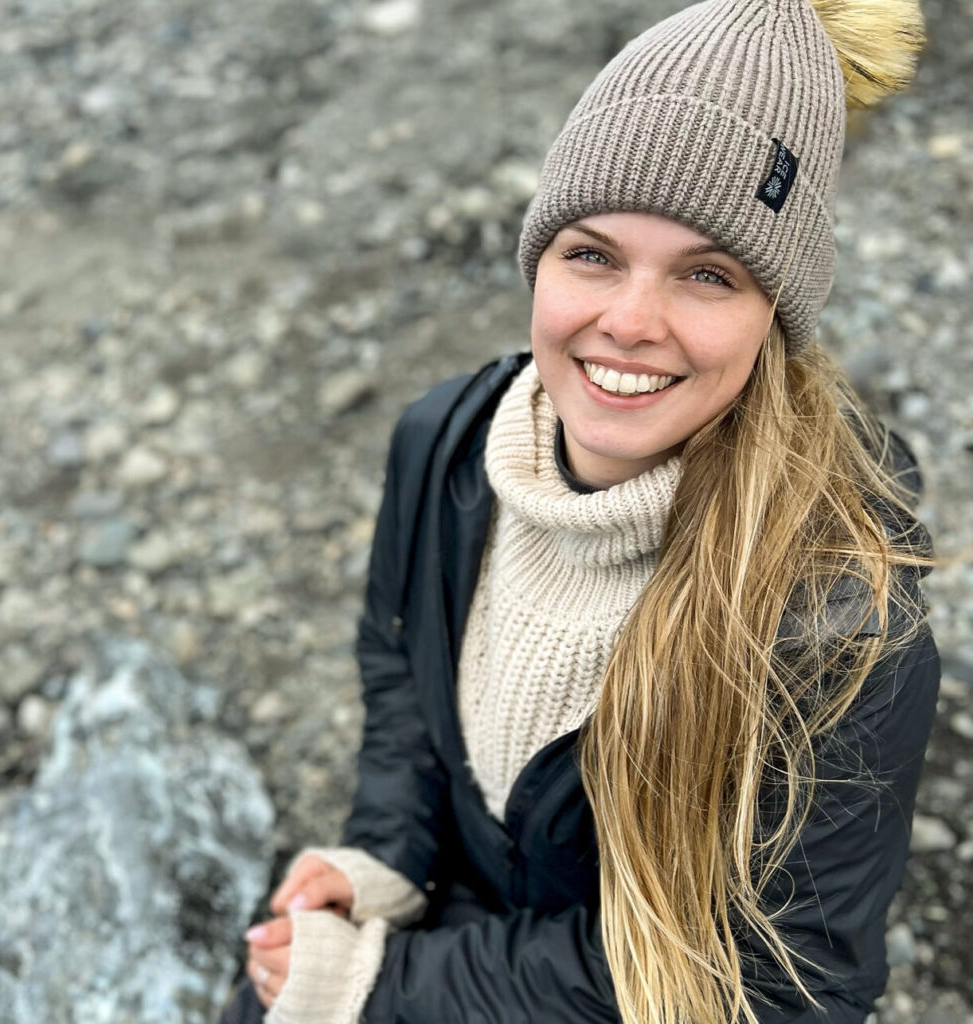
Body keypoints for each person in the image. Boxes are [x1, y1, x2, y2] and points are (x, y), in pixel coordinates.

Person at [218, 0, 940, 1021]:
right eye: (591, 253)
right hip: (481, 931)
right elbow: (399, 675)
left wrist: (387, 982)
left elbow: (788, 986)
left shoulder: (838, 616)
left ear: (775, 314)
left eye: (706, 273)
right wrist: (386, 861)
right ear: (538, 259)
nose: (628, 323)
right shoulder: (443, 442)